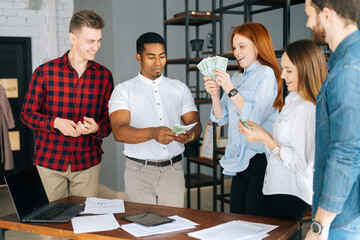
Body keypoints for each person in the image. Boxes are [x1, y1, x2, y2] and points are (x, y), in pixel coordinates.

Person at [21, 8, 113, 220]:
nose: (96, 46)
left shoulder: (104, 76)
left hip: (87, 164)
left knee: (84, 225)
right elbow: (26, 114)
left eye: (99, 40)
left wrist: (97, 127)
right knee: (50, 226)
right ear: (72, 37)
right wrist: (55, 122)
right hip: (49, 164)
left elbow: (109, 121)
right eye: (90, 41)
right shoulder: (44, 72)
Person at [108, 32, 201, 208]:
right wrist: (153, 133)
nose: (158, 62)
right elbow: (119, 132)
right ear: (139, 57)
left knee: (174, 226)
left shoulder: (179, 88)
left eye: (162, 56)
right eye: (151, 57)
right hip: (138, 172)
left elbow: (195, 124)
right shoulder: (123, 90)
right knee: (143, 227)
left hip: (174, 170)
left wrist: (189, 136)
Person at [238, 39, 327, 221]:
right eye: (283, 69)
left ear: (305, 70)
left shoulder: (307, 108)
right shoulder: (293, 100)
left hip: (290, 192)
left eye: (288, 70)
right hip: (276, 186)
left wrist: (266, 139)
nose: (282, 76)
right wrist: (262, 134)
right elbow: (282, 145)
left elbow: (301, 163)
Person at [204, 22, 283, 215]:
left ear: (257, 46)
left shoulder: (266, 74)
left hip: (260, 158)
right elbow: (221, 118)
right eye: (234, 47)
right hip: (240, 158)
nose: (236, 52)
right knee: (237, 216)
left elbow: (254, 117)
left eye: (242, 46)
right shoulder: (237, 77)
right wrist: (215, 94)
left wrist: (230, 90)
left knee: (254, 221)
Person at [304, 0, 360, 239]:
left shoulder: (347, 68)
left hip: (343, 216)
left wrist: (319, 225)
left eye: (309, 16)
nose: (307, 23)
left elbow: (346, 151)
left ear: (326, 14)